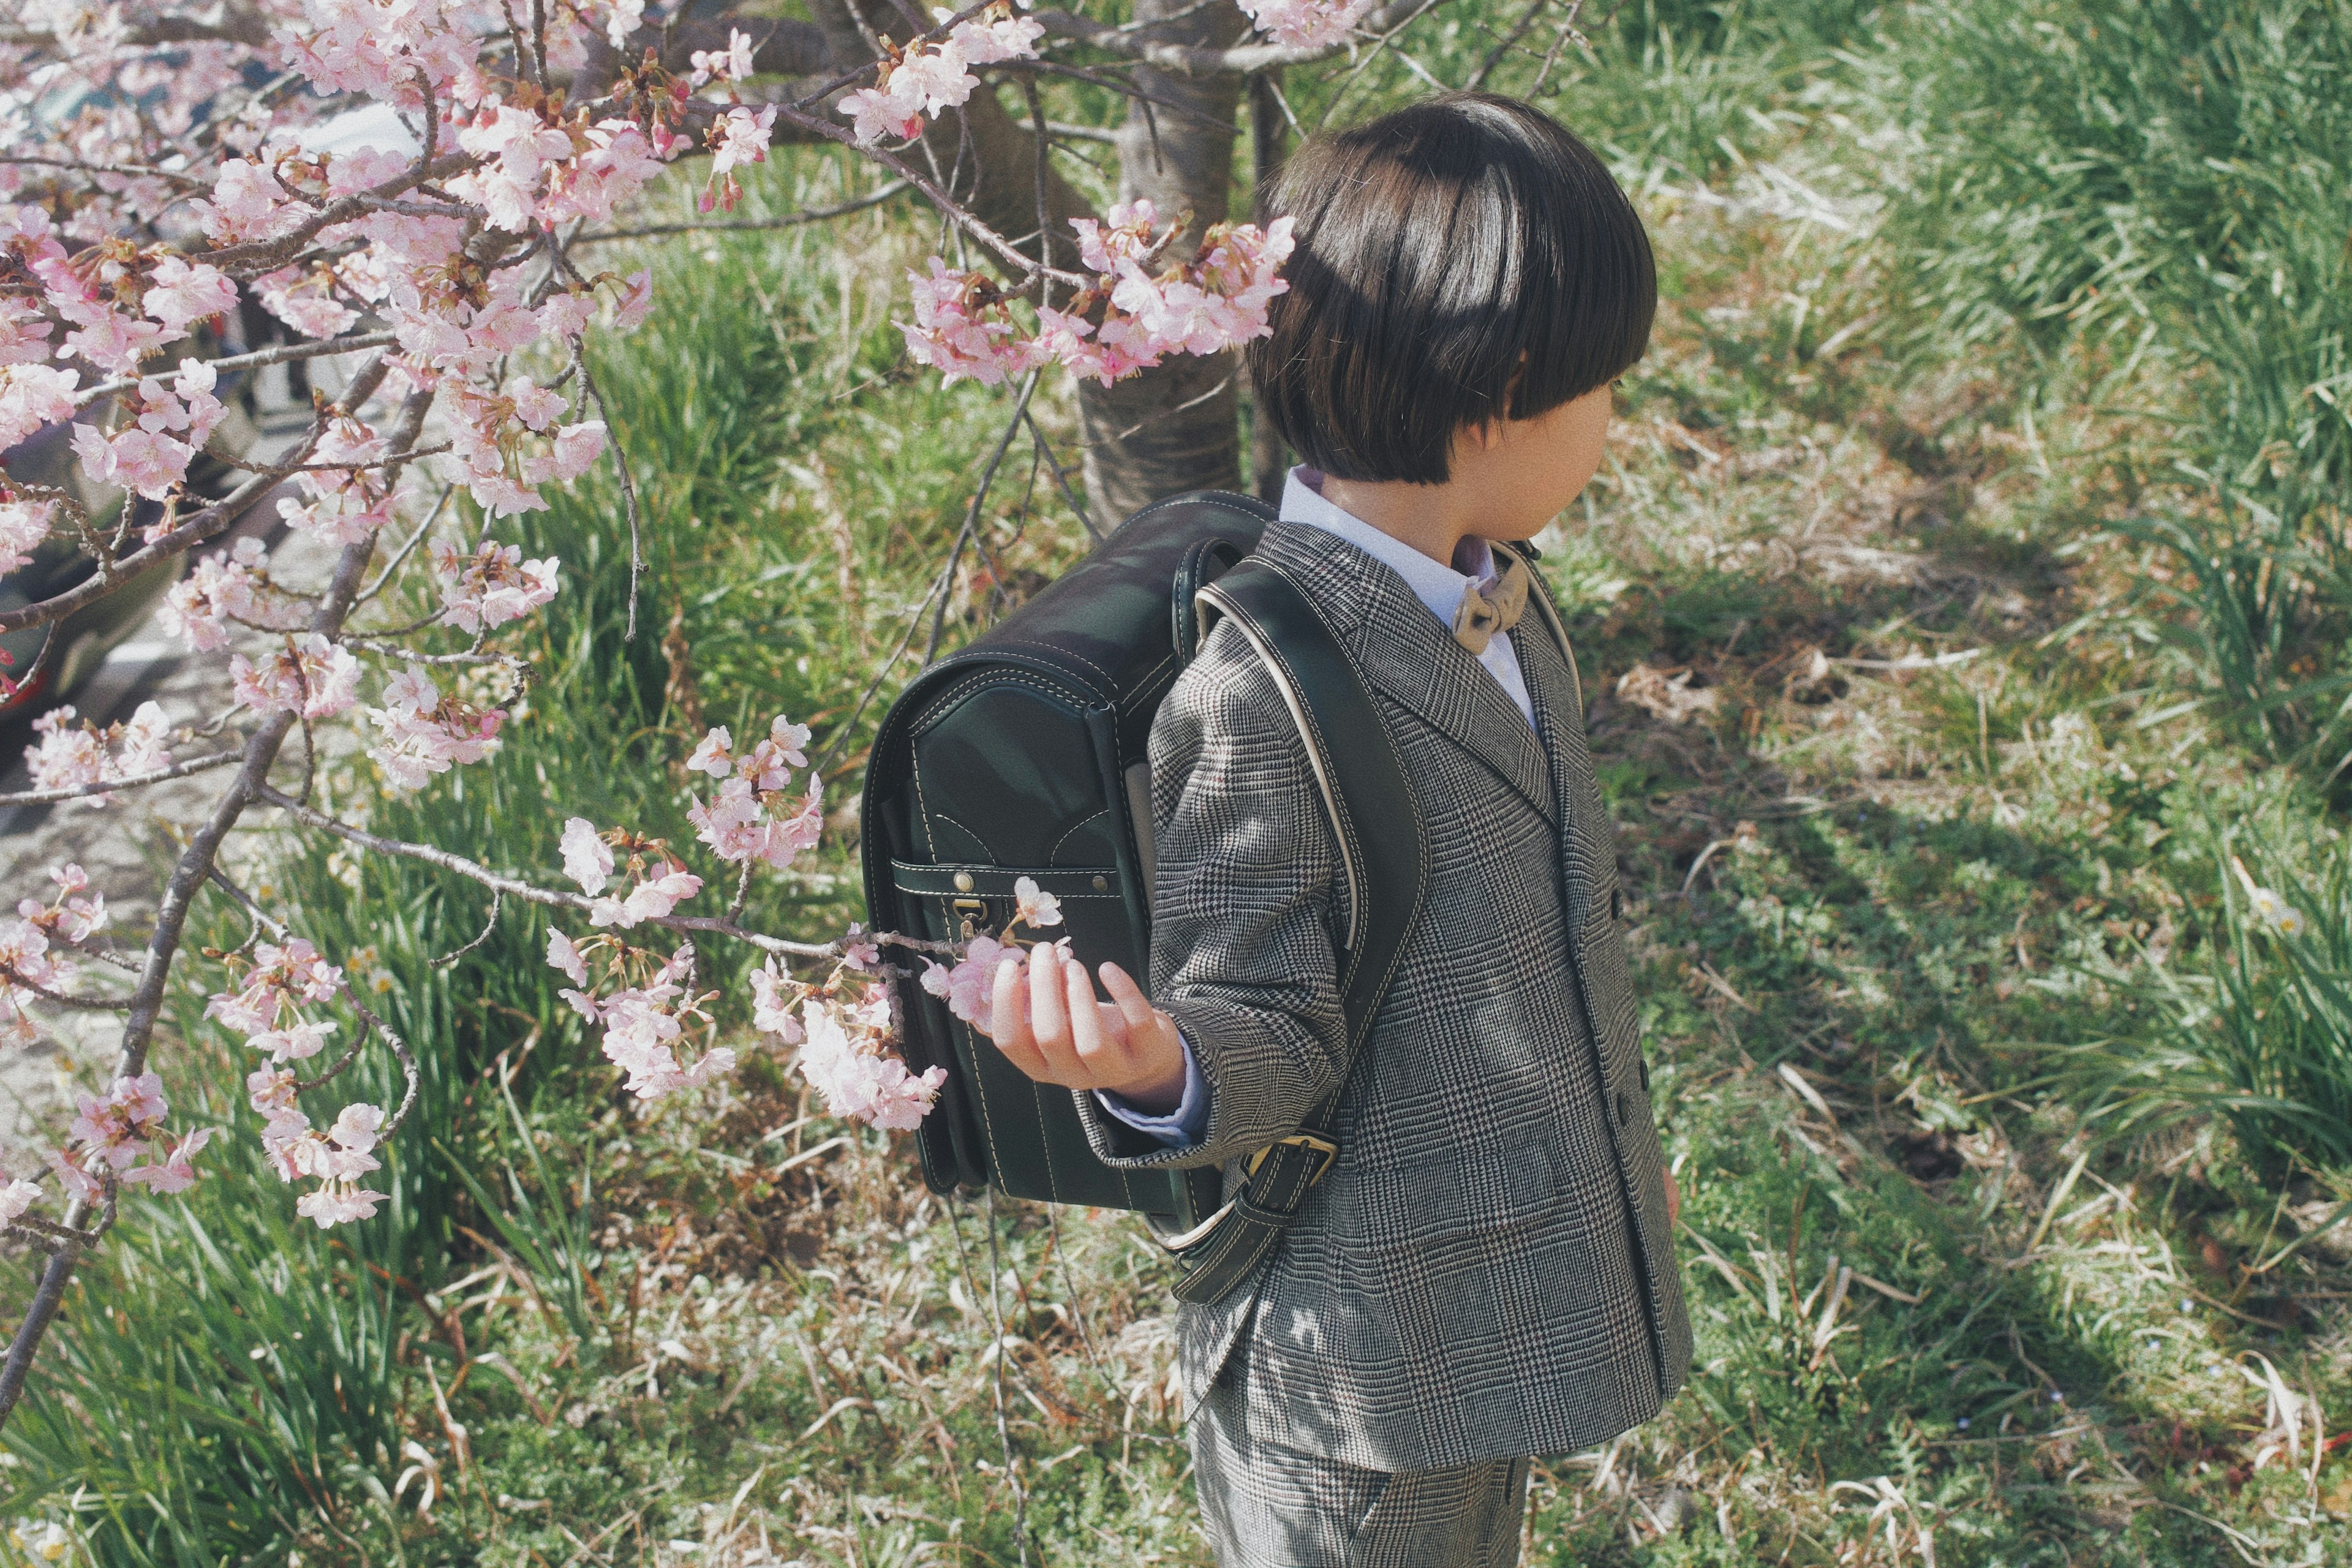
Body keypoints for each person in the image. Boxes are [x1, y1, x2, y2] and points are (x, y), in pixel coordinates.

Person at [977, 91, 1691, 1568]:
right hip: (1359, 1363)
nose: (1616, 423)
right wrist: (1156, 1063)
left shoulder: (1495, 591)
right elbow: (1259, 1007)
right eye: (1598, 388)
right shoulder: (1266, 688)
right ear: (1495, 393)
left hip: (1480, 1300)